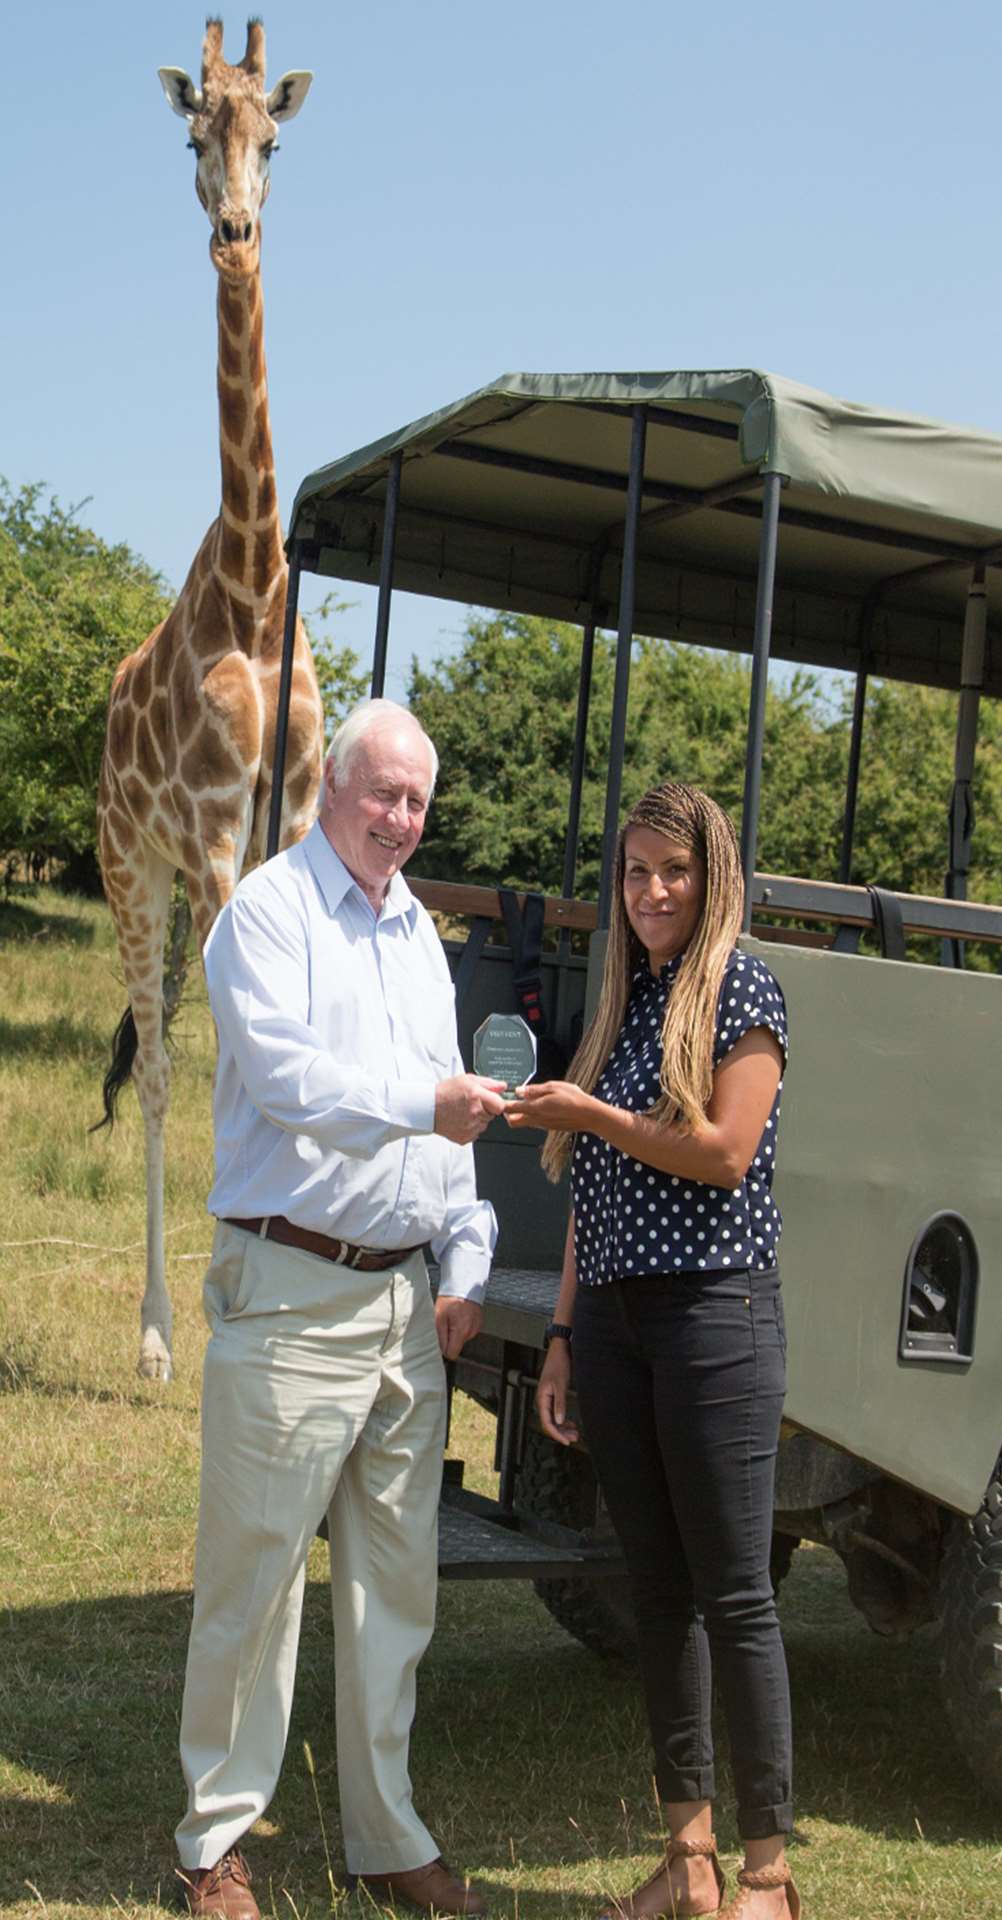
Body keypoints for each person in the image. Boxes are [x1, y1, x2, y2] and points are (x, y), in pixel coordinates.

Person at [175, 699, 506, 1920]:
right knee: (255, 1581)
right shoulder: (266, 913)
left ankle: (386, 1837)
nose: (402, 819)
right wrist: (431, 1103)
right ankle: (214, 1841)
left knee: (395, 1589)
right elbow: (294, 1083)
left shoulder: (422, 932)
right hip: (295, 1287)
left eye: (419, 801)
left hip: (406, 1309)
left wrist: (464, 1257)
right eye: (383, 794)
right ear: (329, 787)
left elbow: (452, 1124)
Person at [506, 783, 799, 1920]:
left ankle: (767, 1881)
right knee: (658, 1591)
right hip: (621, 1327)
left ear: (709, 871)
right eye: (634, 873)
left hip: (715, 1321)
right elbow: (598, 1189)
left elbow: (725, 1152)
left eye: (671, 870)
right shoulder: (631, 1000)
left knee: (737, 1598)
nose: (652, 892)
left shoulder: (744, 987)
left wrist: (595, 1116)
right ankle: (687, 1863)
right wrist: (570, 1333)